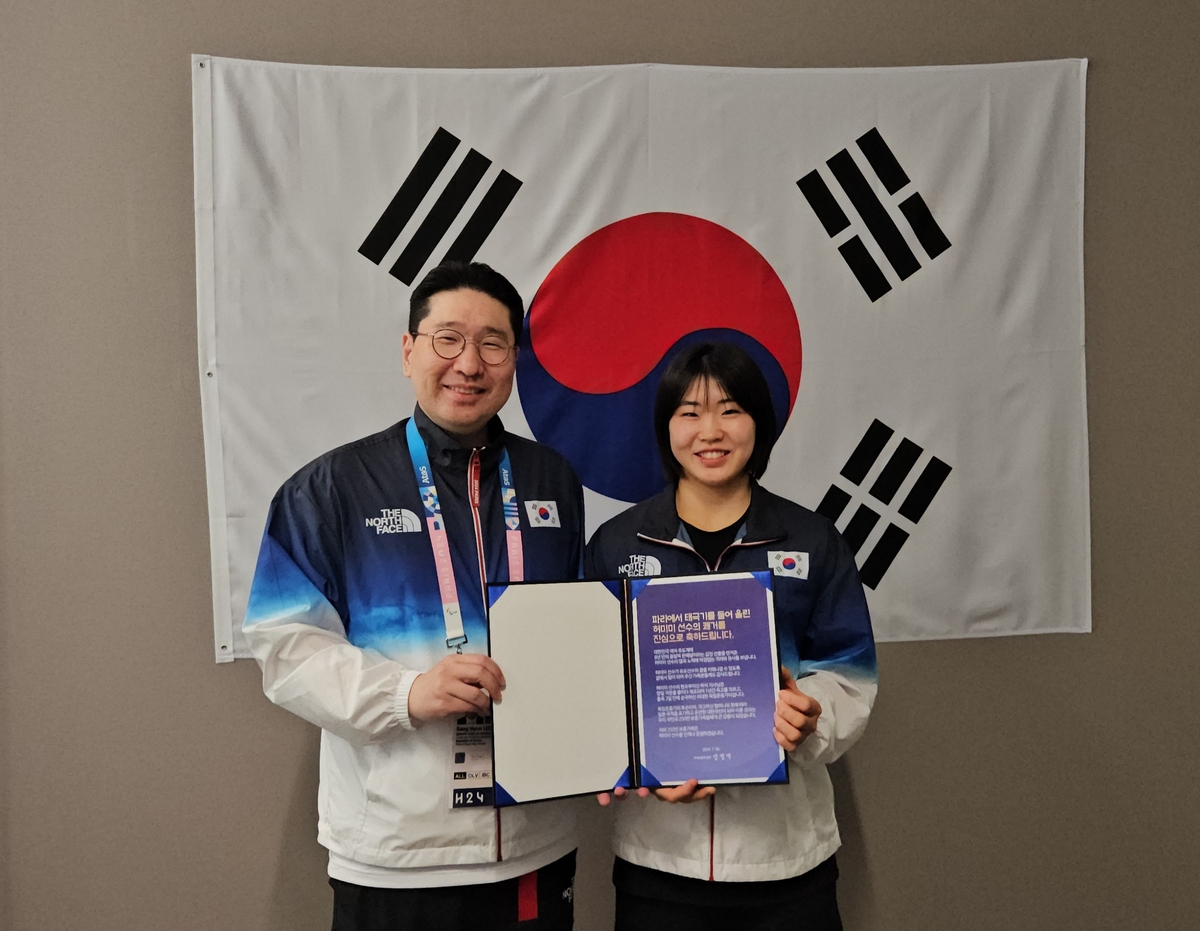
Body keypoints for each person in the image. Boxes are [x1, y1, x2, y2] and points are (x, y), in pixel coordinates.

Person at [243, 262, 584, 931]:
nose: (469, 363)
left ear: (513, 360)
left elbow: (580, 636)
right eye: (447, 339)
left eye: (492, 343)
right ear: (408, 350)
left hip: (537, 844)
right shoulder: (331, 488)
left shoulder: (554, 480)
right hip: (398, 854)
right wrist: (405, 694)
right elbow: (285, 648)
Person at [584, 343, 877, 931]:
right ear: (667, 427)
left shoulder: (812, 539)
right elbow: (593, 684)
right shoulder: (618, 545)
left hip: (787, 858)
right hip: (659, 859)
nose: (710, 431)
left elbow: (850, 670)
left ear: (759, 424)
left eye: (731, 409)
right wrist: (625, 761)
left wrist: (810, 713)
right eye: (689, 411)